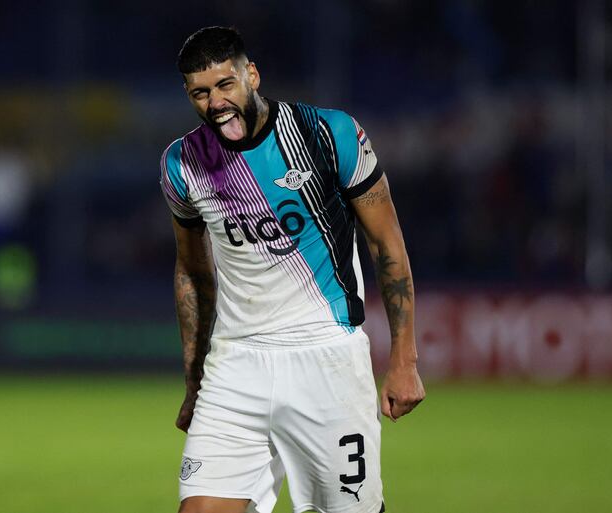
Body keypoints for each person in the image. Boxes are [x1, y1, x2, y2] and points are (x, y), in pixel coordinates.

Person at [160, 26, 425, 513]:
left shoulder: (329, 134)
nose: (215, 102)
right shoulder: (183, 163)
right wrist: (195, 383)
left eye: (225, 85)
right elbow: (192, 275)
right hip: (235, 365)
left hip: (325, 358)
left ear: (252, 75)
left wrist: (404, 360)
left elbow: (386, 243)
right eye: (200, 93)